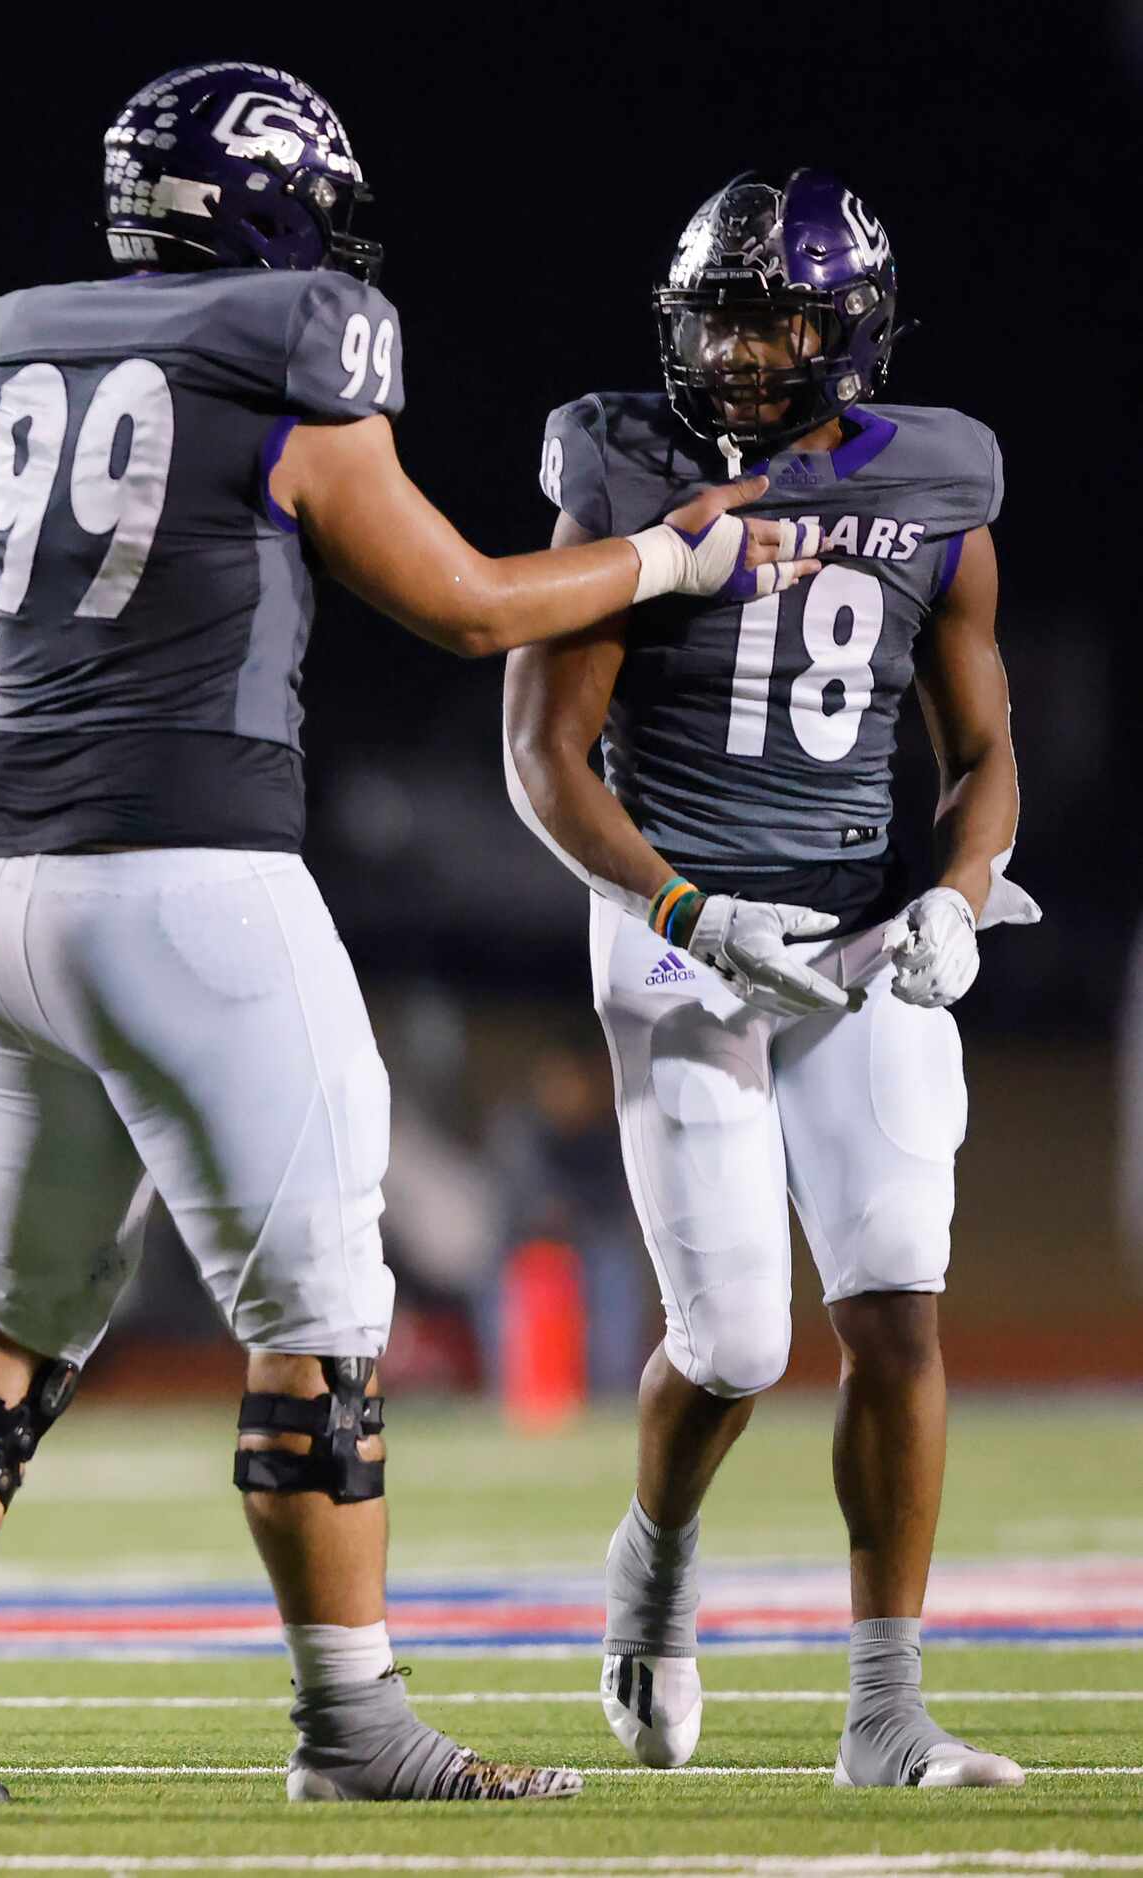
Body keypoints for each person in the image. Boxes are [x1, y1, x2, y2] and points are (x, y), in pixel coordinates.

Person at [0, 60, 824, 1808]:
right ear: (270, 200)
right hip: (190, 883)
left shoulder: (9, 344)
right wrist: (662, 566)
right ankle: (346, 1722)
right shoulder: (290, 333)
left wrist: (38, 774)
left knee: (2, 1309)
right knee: (317, 1316)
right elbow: (453, 601)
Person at [504, 169, 1033, 1788]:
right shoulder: (620, 466)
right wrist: (675, 905)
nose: (737, 353)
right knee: (729, 1340)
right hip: (677, 927)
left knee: (890, 1303)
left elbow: (985, 748)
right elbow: (541, 753)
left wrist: (956, 891)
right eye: (717, 317)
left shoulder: (936, 488)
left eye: (775, 319)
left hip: (864, 932)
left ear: (846, 333)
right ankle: (650, 1572)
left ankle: (883, 1713)